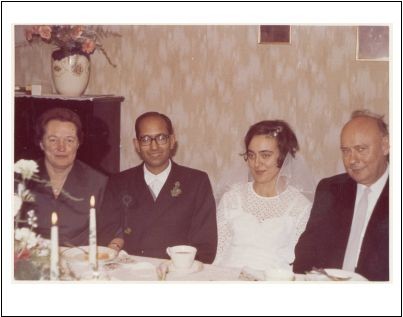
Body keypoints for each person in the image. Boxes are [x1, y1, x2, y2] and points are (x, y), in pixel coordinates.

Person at [98, 111, 217, 263]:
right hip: (130, 271)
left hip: (177, 273)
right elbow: (106, 235)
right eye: (146, 139)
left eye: (161, 138)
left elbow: (205, 245)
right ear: (137, 145)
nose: (154, 147)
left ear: (172, 141)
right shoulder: (118, 182)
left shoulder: (196, 182)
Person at [293, 110, 389, 281]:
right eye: (346, 151)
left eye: (361, 149)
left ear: (385, 146)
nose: (352, 160)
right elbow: (306, 251)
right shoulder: (330, 189)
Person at [213, 120, 315, 272]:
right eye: (251, 155)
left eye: (265, 155)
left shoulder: (300, 207)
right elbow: (218, 254)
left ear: (284, 156)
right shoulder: (231, 199)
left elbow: (297, 264)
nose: (256, 163)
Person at [18, 107, 108, 246]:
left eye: (69, 140)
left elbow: (109, 230)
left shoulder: (98, 182)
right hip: (31, 262)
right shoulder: (20, 178)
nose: (61, 147)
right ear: (41, 143)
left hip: (79, 262)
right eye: (53, 140)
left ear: (78, 143)